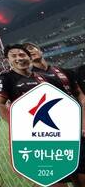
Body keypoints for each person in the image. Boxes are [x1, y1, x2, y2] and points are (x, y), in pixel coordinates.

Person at [24, 42, 85, 186]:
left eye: (32, 48)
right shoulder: (28, 79)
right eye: (26, 51)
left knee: (81, 172)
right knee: (62, 173)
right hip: (54, 131)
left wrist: (83, 122)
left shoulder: (63, 71)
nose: (30, 51)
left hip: (77, 127)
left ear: (40, 51)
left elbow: (80, 95)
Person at [0, 44, 47, 123]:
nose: (19, 58)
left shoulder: (42, 76)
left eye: (22, 55)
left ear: (30, 58)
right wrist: (15, 124)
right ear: (8, 60)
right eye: (14, 56)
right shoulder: (5, 78)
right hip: (29, 123)